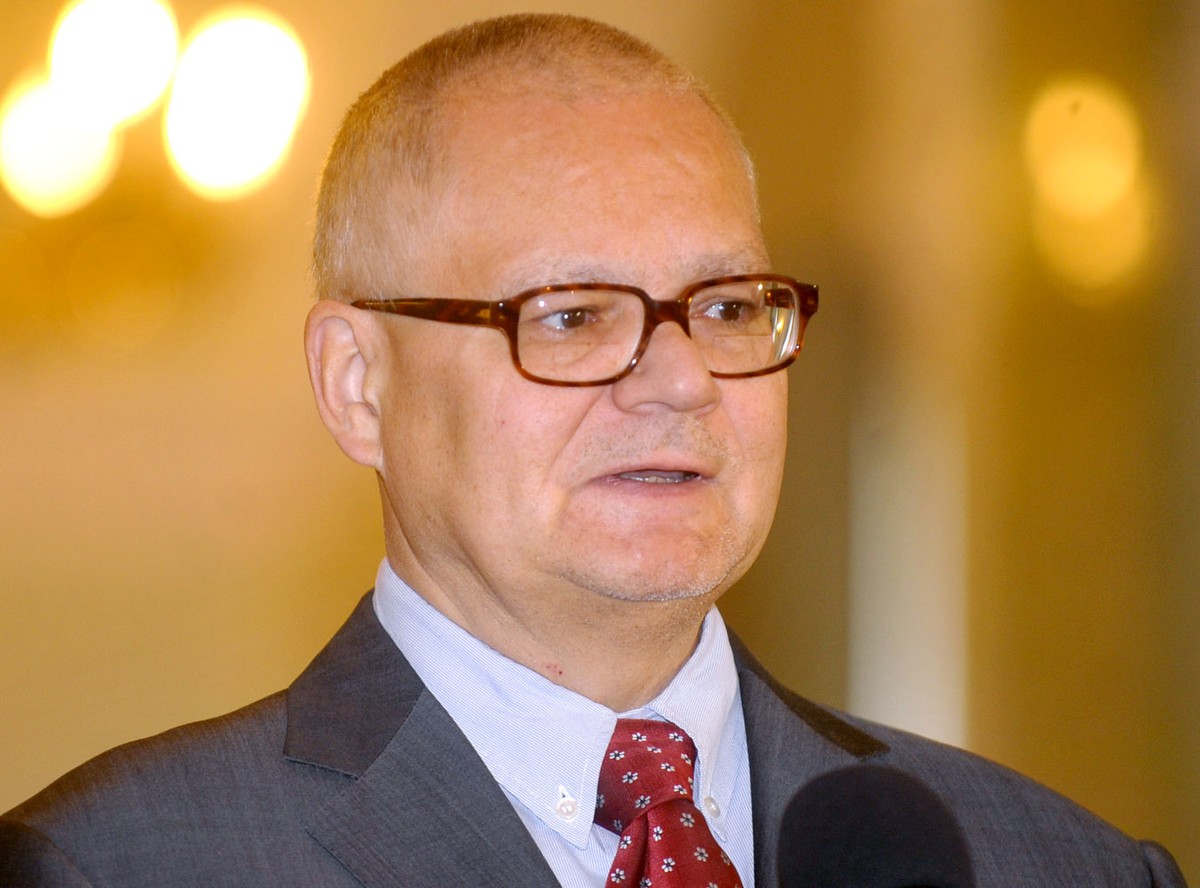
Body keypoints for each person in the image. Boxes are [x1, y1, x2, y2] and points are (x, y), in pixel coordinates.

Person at [0, 13, 1186, 887]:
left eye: (728, 308)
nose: (681, 380)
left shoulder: (1055, 866)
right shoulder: (118, 866)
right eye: (570, 317)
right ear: (360, 385)